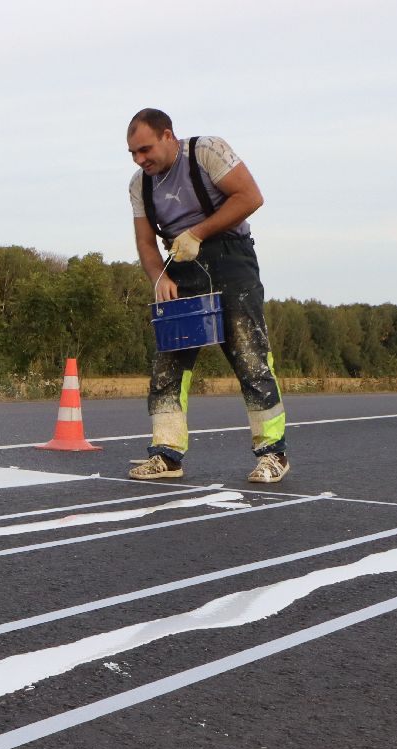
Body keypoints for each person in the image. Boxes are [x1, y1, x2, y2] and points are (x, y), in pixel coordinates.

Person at [125, 109, 289, 483]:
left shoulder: (208, 151)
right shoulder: (140, 184)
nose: (140, 159)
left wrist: (197, 233)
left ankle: (272, 454)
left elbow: (250, 197)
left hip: (230, 260)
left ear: (168, 136)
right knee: (168, 366)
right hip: (180, 269)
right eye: (133, 153)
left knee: (250, 357)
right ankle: (166, 455)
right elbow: (145, 243)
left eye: (145, 149)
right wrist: (158, 277)